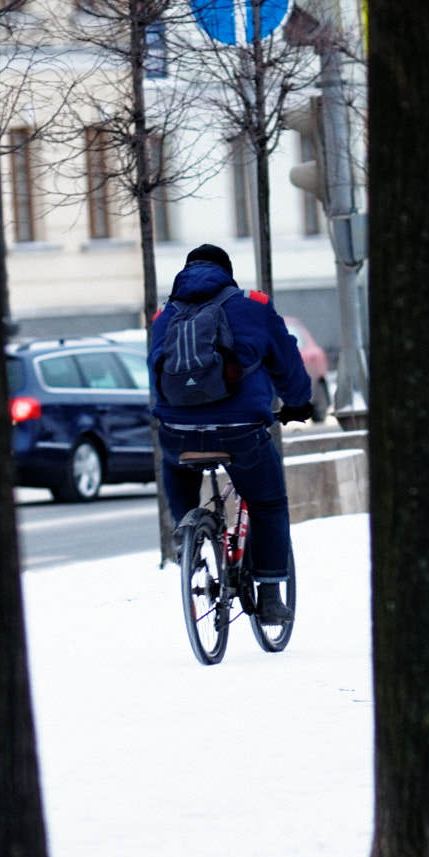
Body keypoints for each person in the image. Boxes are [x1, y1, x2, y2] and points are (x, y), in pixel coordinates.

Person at [149, 244, 312, 623]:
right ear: (228, 273)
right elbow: (285, 362)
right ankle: (270, 595)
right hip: (239, 431)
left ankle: (185, 529)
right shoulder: (253, 305)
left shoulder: (164, 314)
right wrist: (298, 403)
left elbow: (157, 375)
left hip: (178, 430)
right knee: (268, 503)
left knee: (174, 463)